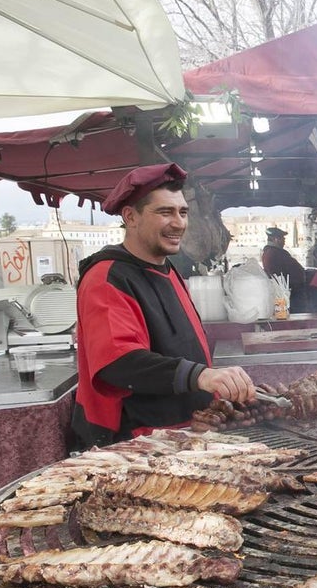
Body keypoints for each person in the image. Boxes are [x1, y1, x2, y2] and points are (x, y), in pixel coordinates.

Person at [72, 163, 255, 448]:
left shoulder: (169, 271)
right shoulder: (108, 276)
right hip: (135, 441)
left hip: (182, 434)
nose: (179, 223)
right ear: (130, 217)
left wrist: (217, 388)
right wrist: (201, 375)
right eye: (164, 212)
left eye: (183, 212)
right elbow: (119, 362)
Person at [260, 226, 310, 313]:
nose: (284, 241)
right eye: (282, 238)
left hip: (283, 291)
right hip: (290, 292)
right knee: (295, 316)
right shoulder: (277, 253)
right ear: (276, 239)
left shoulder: (268, 252)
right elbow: (292, 270)